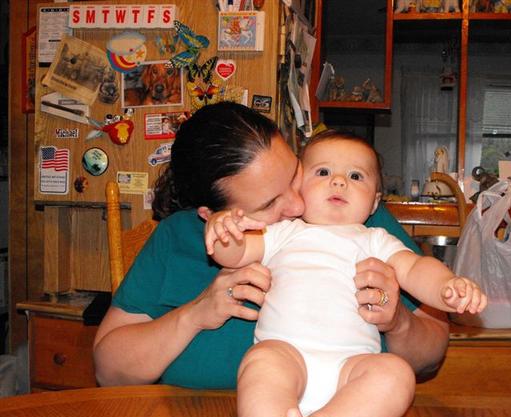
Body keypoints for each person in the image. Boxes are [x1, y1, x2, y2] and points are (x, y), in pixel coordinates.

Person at [93, 101, 449, 398]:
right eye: (269, 203)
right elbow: (109, 371)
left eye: (294, 174)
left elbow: (431, 354)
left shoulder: (353, 217)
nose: (297, 204)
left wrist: (398, 322)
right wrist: (196, 313)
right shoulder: (175, 238)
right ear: (209, 215)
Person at [208, 130, 487, 417]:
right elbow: (233, 255)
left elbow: (416, 269)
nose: (339, 181)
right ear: (298, 188)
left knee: (396, 374)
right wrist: (223, 230)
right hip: (286, 356)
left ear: (374, 203)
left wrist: (447, 285)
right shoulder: (283, 232)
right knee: (260, 363)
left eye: (356, 176)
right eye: (323, 172)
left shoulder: (376, 240)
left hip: (351, 370)